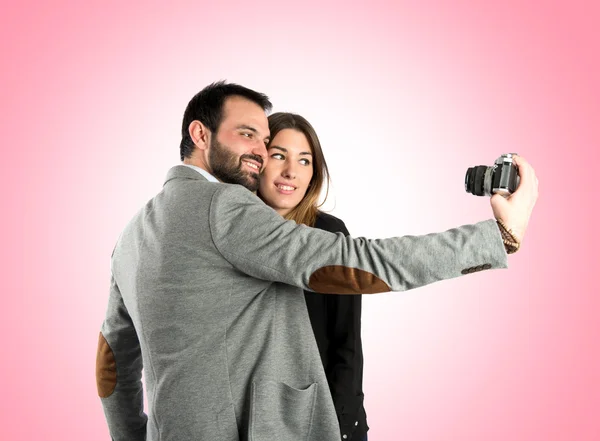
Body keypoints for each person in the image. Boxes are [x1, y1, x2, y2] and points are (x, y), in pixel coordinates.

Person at [96, 81, 538, 441]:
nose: (258, 150)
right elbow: (351, 264)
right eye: (246, 134)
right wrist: (497, 237)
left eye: (263, 140)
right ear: (200, 135)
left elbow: (111, 362)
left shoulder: (130, 235)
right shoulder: (225, 205)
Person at [257, 112, 369, 441]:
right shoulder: (226, 232)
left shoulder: (329, 236)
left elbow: (346, 341)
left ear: (314, 173)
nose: (291, 171)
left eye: (304, 161)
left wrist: (343, 426)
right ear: (257, 161)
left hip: (321, 413)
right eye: (278, 155)